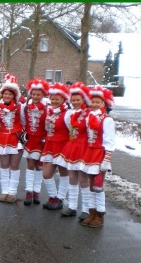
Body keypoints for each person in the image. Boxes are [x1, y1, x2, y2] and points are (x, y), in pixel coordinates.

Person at [79, 86, 115, 228]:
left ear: (104, 104)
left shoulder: (107, 120)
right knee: (90, 185)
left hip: (100, 154)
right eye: (92, 101)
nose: (94, 104)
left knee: (98, 186)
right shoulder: (89, 116)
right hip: (89, 153)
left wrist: (106, 160)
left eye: (97, 102)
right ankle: (92, 212)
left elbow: (110, 141)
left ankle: (100, 215)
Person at [57, 82, 92, 219]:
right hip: (72, 146)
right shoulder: (69, 114)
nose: (75, 102)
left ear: (84, 100)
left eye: (78, 99)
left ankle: (86, 209)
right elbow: (69, 129)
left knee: (83, 179)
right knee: (72, 177)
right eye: (73, 100)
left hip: (84, 147)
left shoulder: (89, 114)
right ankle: (72, 206)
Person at [0, 74, 25, 203]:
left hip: (16, 139)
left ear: (14, 96)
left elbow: (24, 122)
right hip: (2, 139)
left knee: (14, 165)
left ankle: (12, 192)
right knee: (4, 166)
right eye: (5, 94)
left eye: (10, 94)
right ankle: (4, 191)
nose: (7, 96)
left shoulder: (20, 107)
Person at [40, 83, 70, 210]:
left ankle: (60, 198)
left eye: (57, 99)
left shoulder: (68, 113)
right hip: (50, 144)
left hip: (63, 145)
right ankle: (53, 196)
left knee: (64, 174)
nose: (54, 101)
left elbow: (72, 131)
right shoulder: (49, 111)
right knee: (46, 174)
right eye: (52, 98)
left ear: (63, 99)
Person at [21, 79, 49, 205]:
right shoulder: (26, 107)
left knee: (39, 166)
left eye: (39, 94)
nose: (36, 96)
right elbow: (23, 121)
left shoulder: (47, 108)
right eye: (34, 94)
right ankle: (29, 191)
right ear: (30, 94)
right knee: (30, 165)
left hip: (42, 140)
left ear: (43, 95)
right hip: (30, 139)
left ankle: (37, 191)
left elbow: (49, 126)